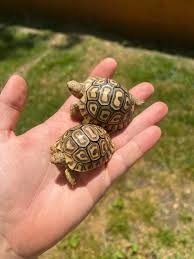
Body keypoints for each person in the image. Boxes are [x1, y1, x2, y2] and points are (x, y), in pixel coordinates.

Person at [0, 58, 168, 258]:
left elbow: (75, 115)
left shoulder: (79, 111)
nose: (71, 91)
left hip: (97, 131)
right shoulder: (88, 92)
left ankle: (130, 101)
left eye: (73, 90)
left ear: (78, 91)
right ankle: (130, 101)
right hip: (93, 133)